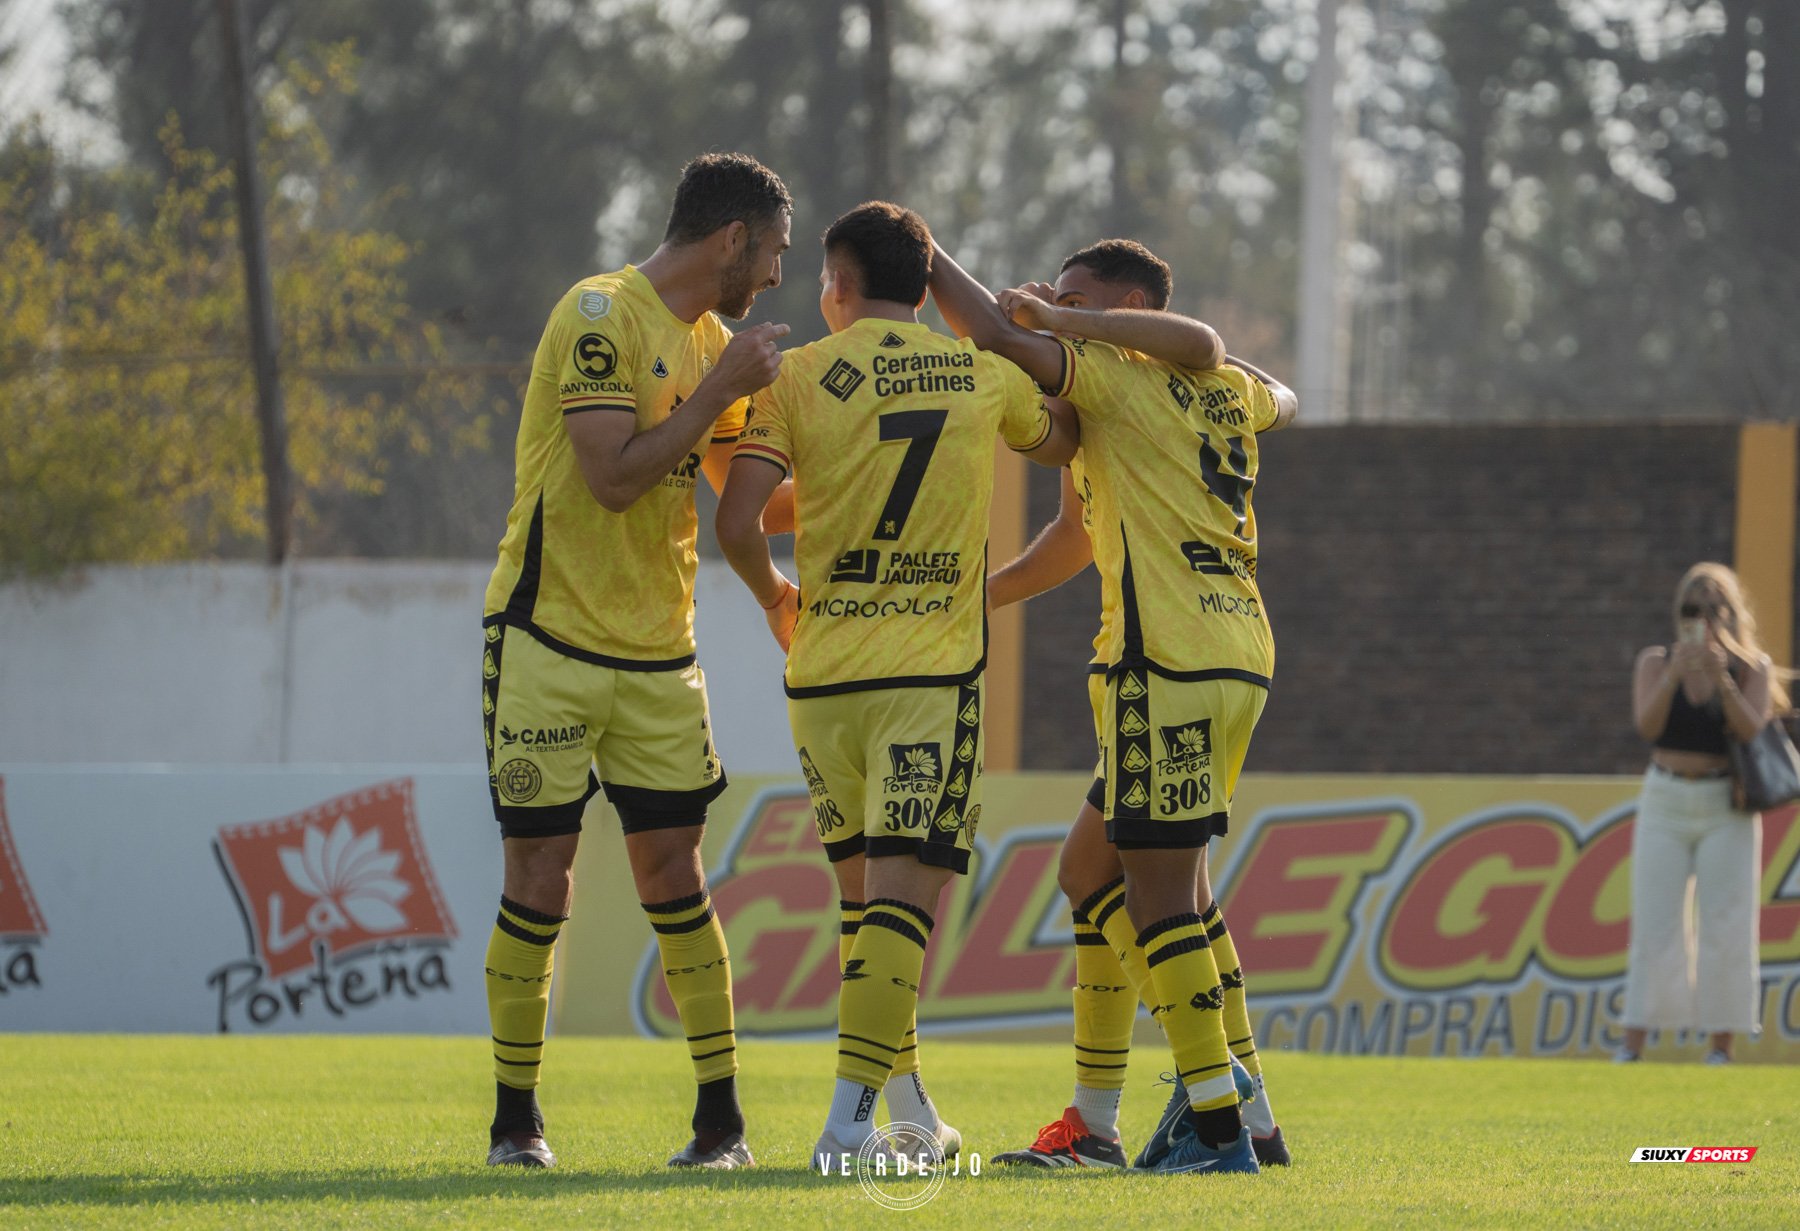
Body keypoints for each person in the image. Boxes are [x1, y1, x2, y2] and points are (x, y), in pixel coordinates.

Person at [713, 201, 1078, 1170]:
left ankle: (911, 1112)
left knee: (867, 913)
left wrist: (774, 602)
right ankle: (845, 1128)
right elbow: (1064, 438)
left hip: (825, 676)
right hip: (929, 675)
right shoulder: (979, 371)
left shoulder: (796, 377)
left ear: (836, 283)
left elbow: (741, 526)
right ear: (924, 287)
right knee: (903, 912)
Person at [930, 239, 1296, 1177]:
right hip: (1234, 655)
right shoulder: (1218, 393)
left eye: (1081, 296)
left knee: (1155, 894)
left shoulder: (1118, 375)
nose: (1055, 304)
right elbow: (1072, 534)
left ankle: (1220, 1119)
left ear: (1130, 307)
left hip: (1160, 658)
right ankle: (1132, 1118)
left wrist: (923, 251)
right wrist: (985, 598)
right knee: (1103, 875)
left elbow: (996, 327)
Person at [480, 152, 795, 1170]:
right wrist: (720, 394)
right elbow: (613, 477)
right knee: (542, 871)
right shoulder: (599, 315)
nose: (781, 276)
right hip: (548, 640)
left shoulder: (711, 340)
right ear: (732, 241)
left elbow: (744, 498)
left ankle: (720, 1124)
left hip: (660, 653)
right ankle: (516, 1121)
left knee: (675, 873)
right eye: (777, 251)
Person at [1621, 562, 1781, 1064]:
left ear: (1730, 613)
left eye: (1714, 608)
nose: (1704, 619)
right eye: (1693, 608)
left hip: (1723, 803)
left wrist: (1722, 679)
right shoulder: (1655, 661)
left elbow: (1752, 730)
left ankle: (1721, 1046)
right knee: (1654, 922)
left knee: (1727, 922)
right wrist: (1674, 675)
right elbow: (1646, 727)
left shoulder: (1752, 666)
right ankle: (1634, 1045)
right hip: (1665, 797)